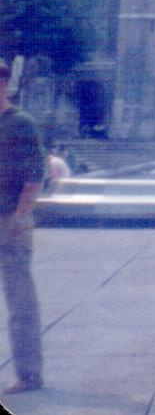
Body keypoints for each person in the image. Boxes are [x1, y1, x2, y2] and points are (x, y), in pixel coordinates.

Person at [0, 62, 44, 394]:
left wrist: (21, 216)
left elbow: (34, 175)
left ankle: (28, 375)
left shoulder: (20, 124)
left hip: (10, 220)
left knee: (20, 301)